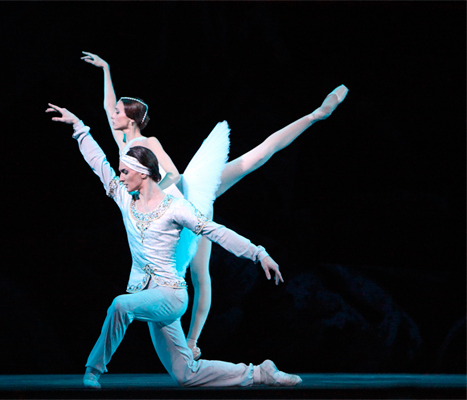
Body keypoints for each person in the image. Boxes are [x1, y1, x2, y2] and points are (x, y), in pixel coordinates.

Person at [81, 51, 349, 360]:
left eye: (117, 111)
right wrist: (106, 70)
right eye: (113, 110)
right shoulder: (124, 142)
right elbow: (106, 106)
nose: (111, 113)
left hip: (184, 198)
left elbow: (170, 175)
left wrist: (176, 207)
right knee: (199, 273)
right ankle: (193, 342)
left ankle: (317, 114)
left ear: (129, 118)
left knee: (255, 159)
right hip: (179, 206)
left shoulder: (147, 143)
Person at [45, 103, 302, 389]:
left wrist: (258, 252)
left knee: (121, 305)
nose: (120, 177)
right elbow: (99, 164)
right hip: (148, 293)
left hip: (171, 296)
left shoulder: (176, 208)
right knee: (186, 374)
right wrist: (78, 127)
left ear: (142, 173)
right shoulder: (123, 198)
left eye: (125, 173)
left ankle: (93, 371)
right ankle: (260, 373)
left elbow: (215, 231)